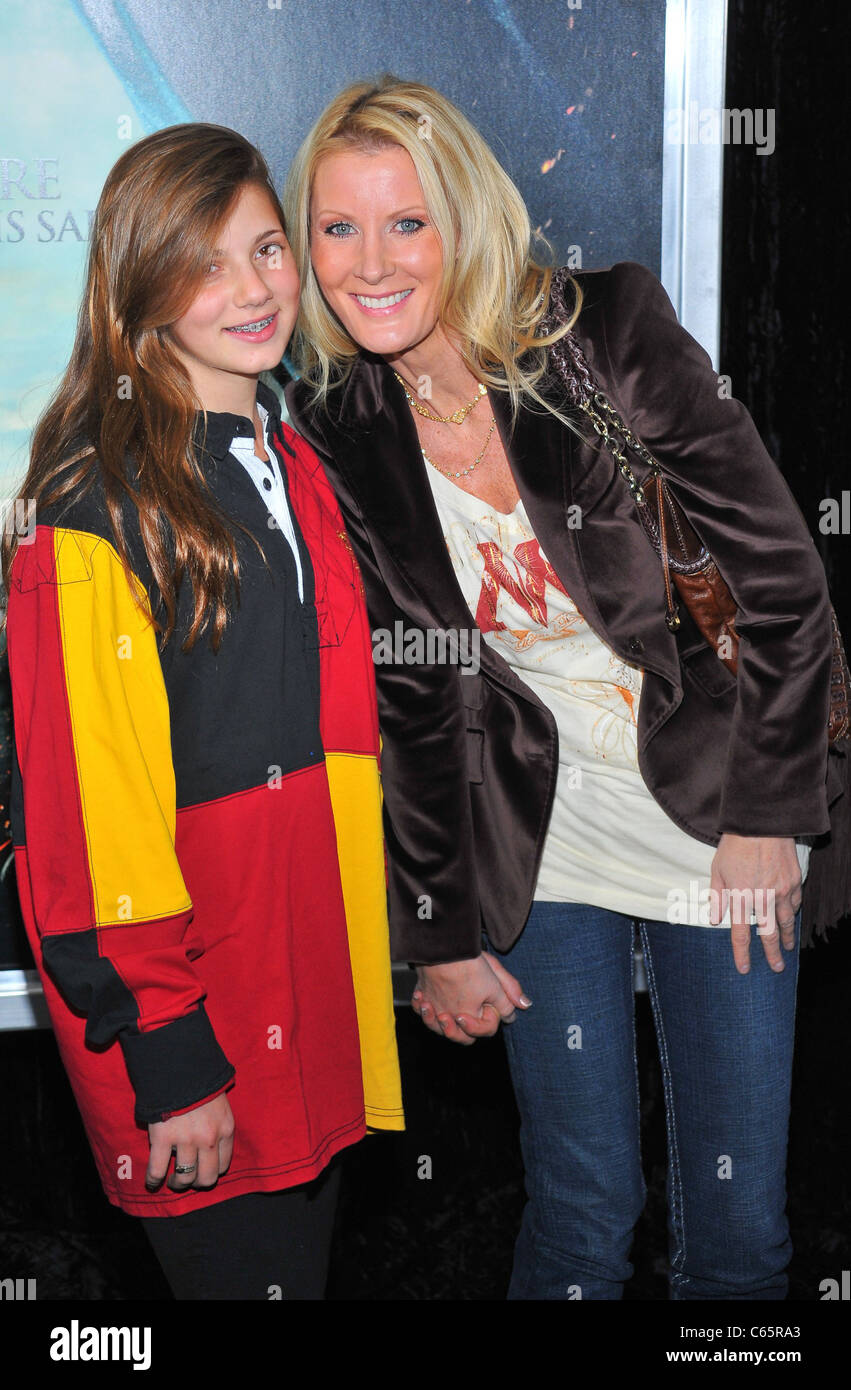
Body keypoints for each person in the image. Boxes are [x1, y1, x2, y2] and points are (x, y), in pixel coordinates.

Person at [283, 75, 849, 1301]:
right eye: (338, 227)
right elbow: (417, 693)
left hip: (715, 812)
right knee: (582, 1207)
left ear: (465, 221)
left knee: (738, 1225)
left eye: (406, 222)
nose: (370, 263)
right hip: (536, 839)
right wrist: (438, 929)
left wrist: (768, 813)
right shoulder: (342, 417)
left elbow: (784, 586)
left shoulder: (601, 332)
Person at [1, 122, 403, 1301]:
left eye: (268, 249)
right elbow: (81, 826)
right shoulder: (90, 502)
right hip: (194, 1037)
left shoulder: (288, 452)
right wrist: (171, 1060)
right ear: (142, 285)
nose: (253, 288)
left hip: (304, 995)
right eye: (207, 262)